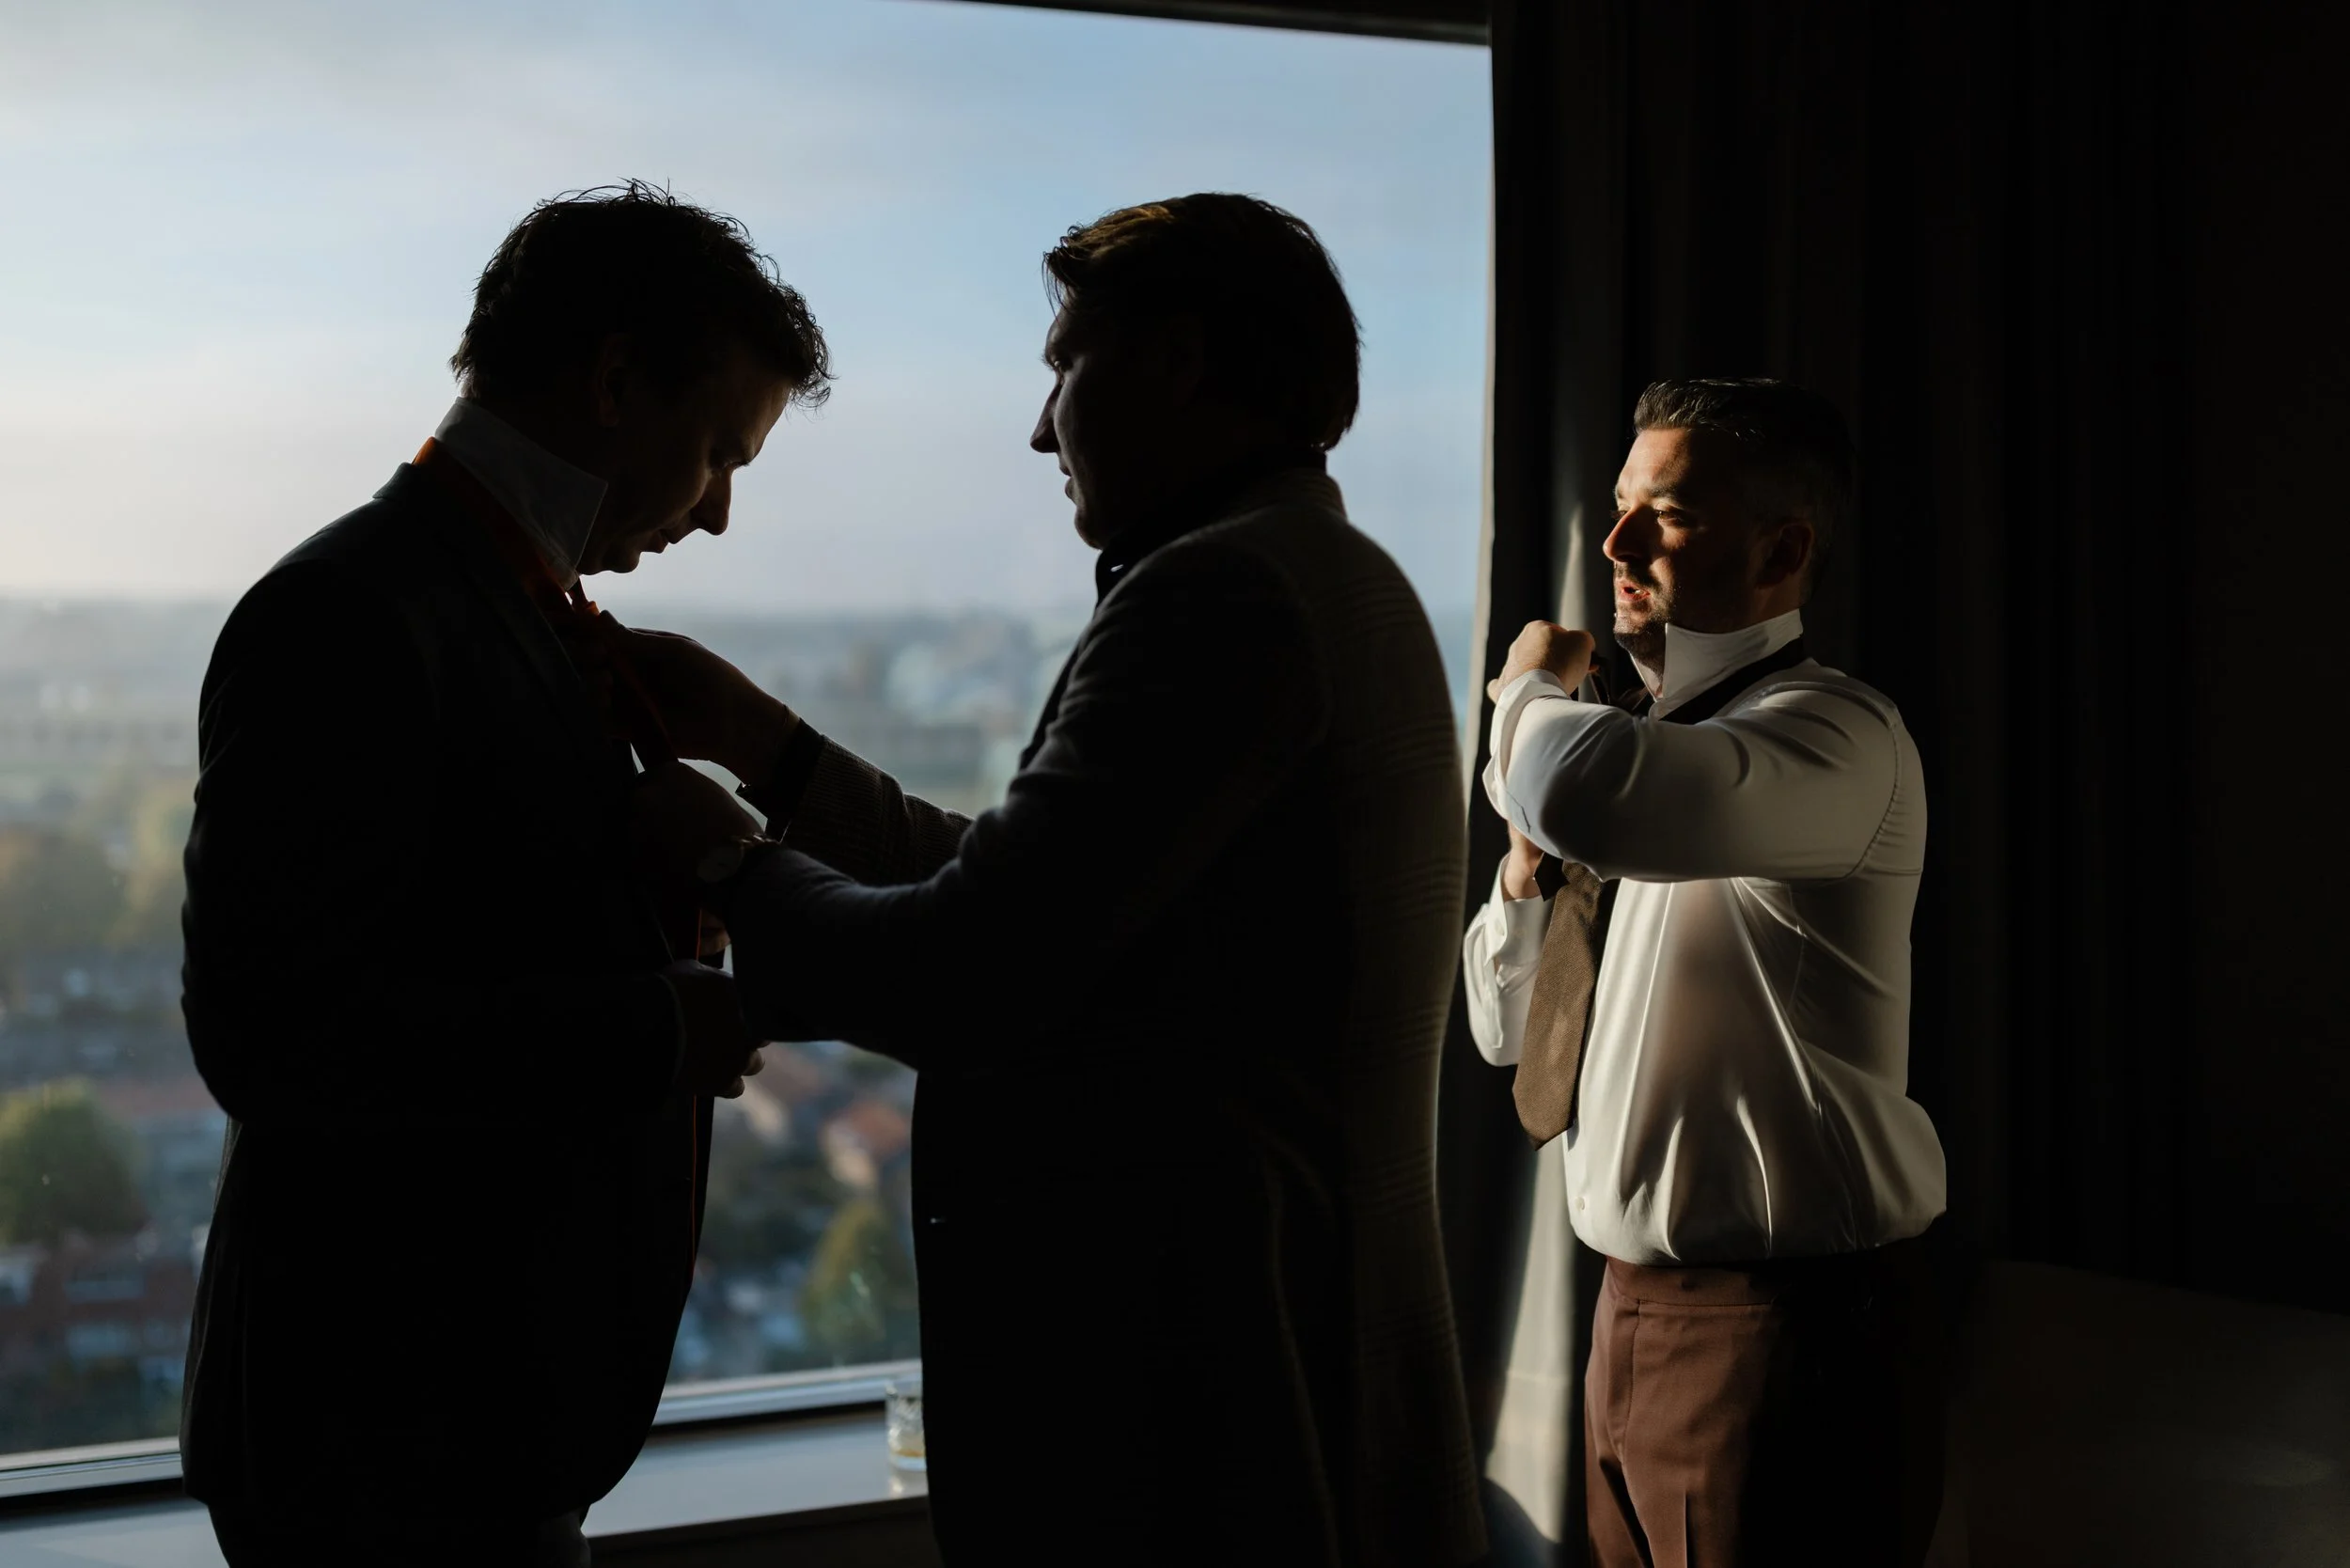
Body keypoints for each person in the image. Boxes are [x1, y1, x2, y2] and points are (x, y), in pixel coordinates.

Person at [620, 194, 1485, 1566]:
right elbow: (1042, 886)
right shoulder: (1328, 576)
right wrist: (768, 747)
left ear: (1178, 362)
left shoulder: (1223, 597)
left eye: (1063, 367)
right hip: (1286, 1368)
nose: (1041, 428)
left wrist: (724, 858)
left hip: (1212, 1409)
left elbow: (971, 967)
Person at [178, 182, 825, 1566]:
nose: (714, 517)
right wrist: (660, 1028)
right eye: (717, 452)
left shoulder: (506, 614)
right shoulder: (345, 616)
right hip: (385, 1445)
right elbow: (273, 1035)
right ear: (610, 382)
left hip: (459, 1430)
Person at [1465, 379, 1948, 1568]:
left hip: (1781, 1334)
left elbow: (1581, 786)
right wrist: (1526, 873)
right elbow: (1504, 1032)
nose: (1614, 544)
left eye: (1665, 516)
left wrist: (1524, 685)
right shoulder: (1637, 757)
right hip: (1630, 1320)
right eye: (1619, 507)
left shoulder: (1833, 737)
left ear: (1783, 548)